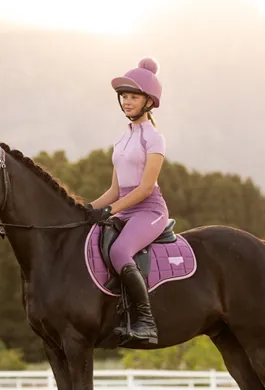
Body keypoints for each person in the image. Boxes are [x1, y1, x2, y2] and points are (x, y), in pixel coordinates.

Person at [85, 57, 168, 345]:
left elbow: (145, 188)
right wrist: (86, 209)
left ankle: (145, 321)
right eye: (124, 96)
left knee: (120, 250)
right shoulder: (121, 141)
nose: (127, 101)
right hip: (123, 210)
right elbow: (114, 190)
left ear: (148, 102)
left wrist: (111, 210)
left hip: (149, 211)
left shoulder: (154, 139)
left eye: (133, 96)